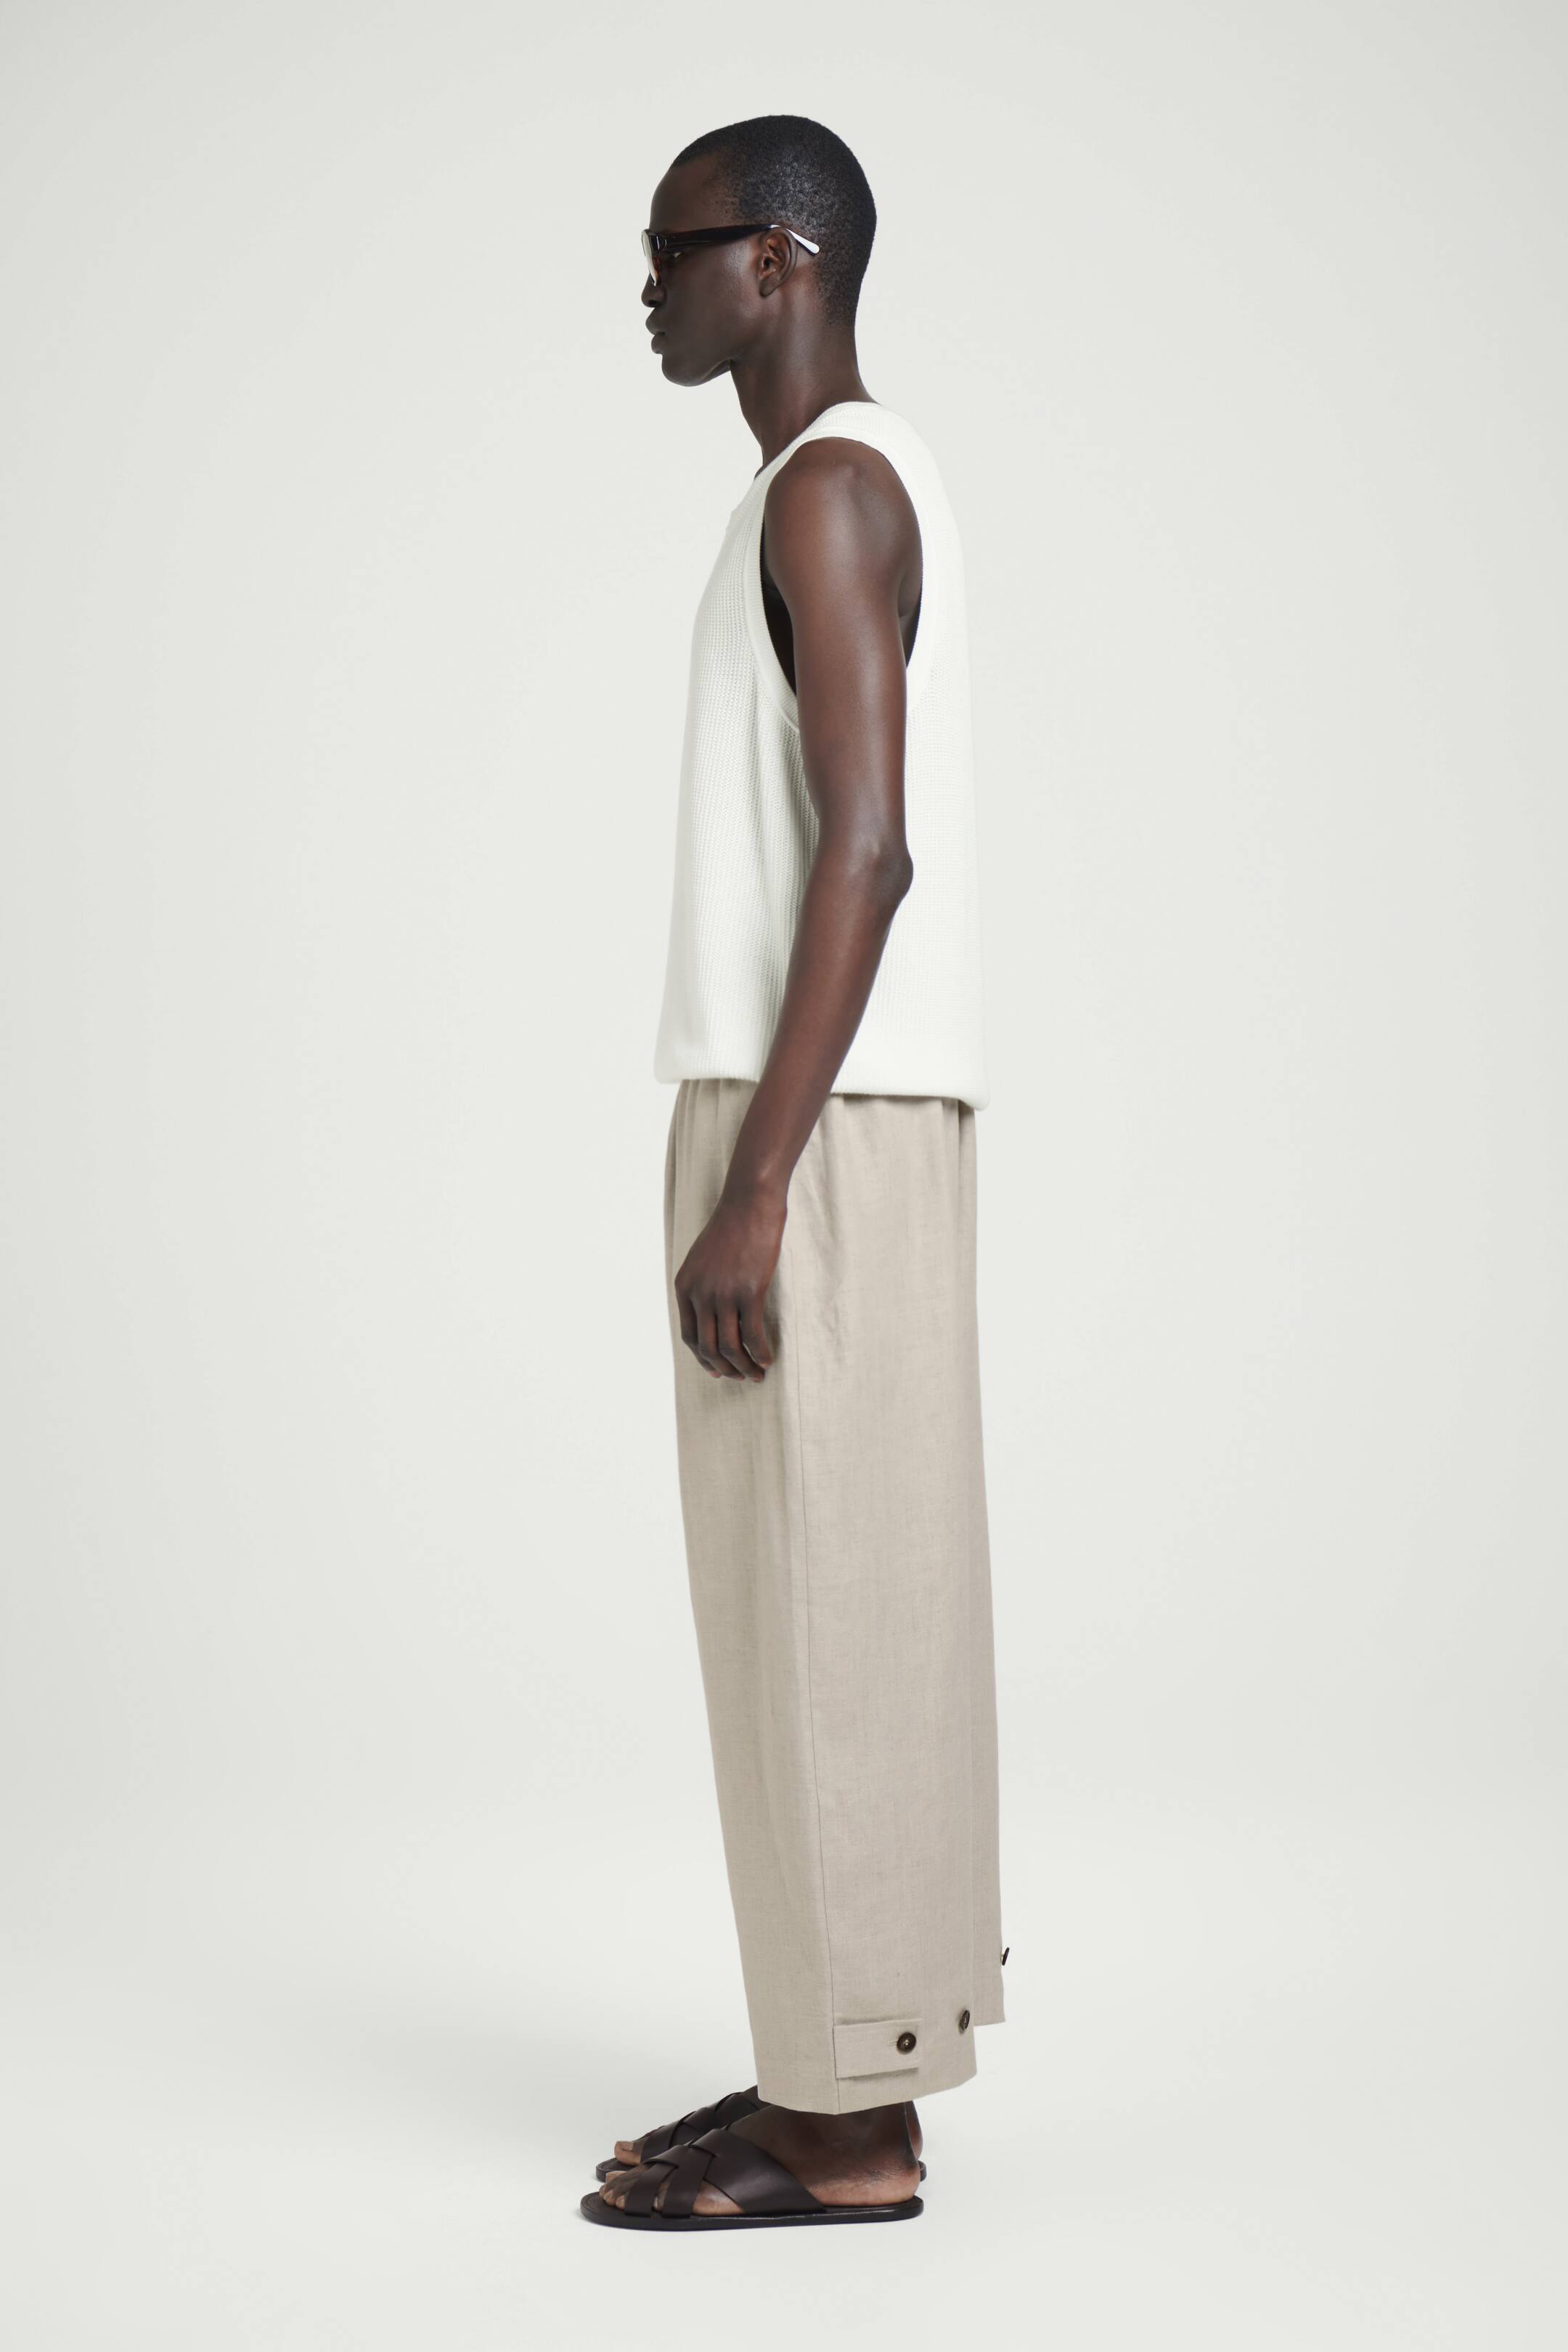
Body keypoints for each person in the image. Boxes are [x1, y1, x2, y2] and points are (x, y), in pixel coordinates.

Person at [582, 113, 1003, 2233]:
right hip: (833, 1106)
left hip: (810, 1117)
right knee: (829, 1606)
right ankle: (841, 2076)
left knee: (825, 1604)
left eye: (672, 248)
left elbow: (869, 844)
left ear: (779, 260)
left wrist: (754, 1183)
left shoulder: (830, 488)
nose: (643, 286)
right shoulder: (825, 484)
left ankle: (841, 2134)